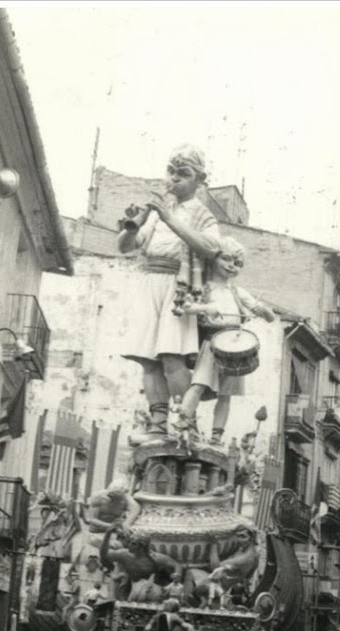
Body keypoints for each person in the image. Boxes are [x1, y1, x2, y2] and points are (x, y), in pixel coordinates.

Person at [118, 143, 221, 443]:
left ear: (199, 181)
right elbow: (126, 248)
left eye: (183, 174)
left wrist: (169, 219)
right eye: (171, 172)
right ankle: (158, 421)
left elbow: (211, 248)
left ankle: (186, 420)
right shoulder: (157, 212)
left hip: (179, 286)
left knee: (171, 357)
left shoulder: (203, 215)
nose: (174, 179)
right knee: (148, 359)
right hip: (151, 281)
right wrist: (130, 227)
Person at [178, 236, 274, 445]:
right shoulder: (201, 287)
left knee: (226, 394)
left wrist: (263, 311)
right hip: (212, 342)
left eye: (238, 263)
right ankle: (182, 423)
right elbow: (184, 306)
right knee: (198, 384)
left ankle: (216, 436)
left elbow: (269, 316)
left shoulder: (237, 291)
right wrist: (206, 307)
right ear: (214, 259)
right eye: (227, 259)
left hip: (235, 344)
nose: (232, 266)